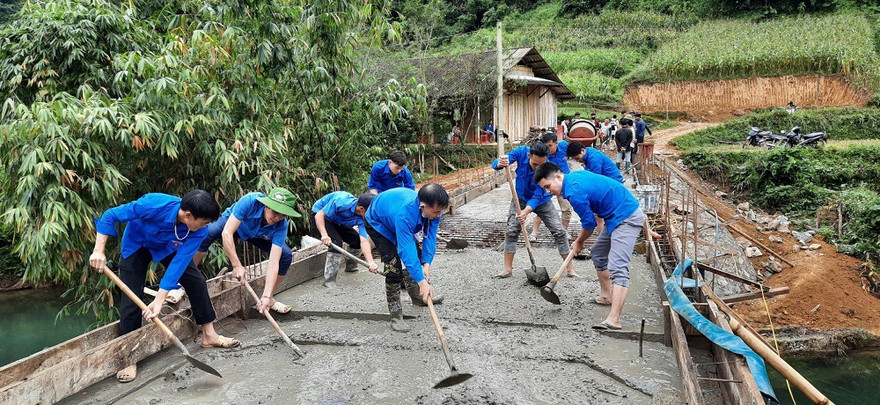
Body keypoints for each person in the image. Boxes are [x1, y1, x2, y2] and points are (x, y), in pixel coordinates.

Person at [90, 190, 237, 383]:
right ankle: (129, 357)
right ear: (188, 215)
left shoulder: (198, 231)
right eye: (204, 221)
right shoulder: (153, 204)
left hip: (168, 246)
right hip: (137, 244)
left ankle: (209, 334)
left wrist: (159, 302)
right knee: (132, 297)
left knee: (196, 280)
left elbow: (179, 265)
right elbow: (111, 215)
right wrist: (98, 251)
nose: (206, 226)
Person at [535, 163, 646, 330]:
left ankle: (614, 319)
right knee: (599, 253)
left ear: (558, 177)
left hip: (626, 216)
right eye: (545, 189)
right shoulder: (572, 179)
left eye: (548, 186)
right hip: (615, 214)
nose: (548, 192)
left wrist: (579, 242)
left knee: (618, 265)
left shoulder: (574, 192)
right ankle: (607, 296)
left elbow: (589, 224)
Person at [194, 187, 299, 315]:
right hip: (235, 225)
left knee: (286, 255)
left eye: (282, 215)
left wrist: (265, 295)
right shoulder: (249, 201)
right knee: (206, 234)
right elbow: (227, 233)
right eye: (275, 211)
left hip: (258, 235)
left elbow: (274, 261)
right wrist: (237, 265)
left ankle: (269, 299)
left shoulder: (281, 226)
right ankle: (182, 278)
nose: (277, 217)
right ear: (267, 205)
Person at [365, 184, 447, 332]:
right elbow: (406, 250)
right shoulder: (405, 215)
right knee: (393, 267)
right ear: (422, 206)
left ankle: (417, 296)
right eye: (436, 212)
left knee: (420, 256)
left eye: (440, 211)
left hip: (393, 214)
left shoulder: (433, 211)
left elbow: (430, 237)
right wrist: (422, 282)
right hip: (378, 223)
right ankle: (396, 314)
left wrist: (427, 264)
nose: (438, 215)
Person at [491, 141, 574, 278]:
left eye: (541, 164)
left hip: (542, 201)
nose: (538, 168)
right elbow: (496, 165)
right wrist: (500, 163)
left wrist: (526, 212)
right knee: (511, 231)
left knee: (559, 231)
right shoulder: (521, 152)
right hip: (520, 199)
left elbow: (538, 195)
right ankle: (507, 269)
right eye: (535, 164)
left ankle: (570, 269)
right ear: (529, 155)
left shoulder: (548, 167)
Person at [310, 191, 378, 287]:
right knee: (336, 243)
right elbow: (319, 216)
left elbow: (364, 240)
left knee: (356, 241)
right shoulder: (341, 202)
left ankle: (351, 267)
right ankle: (329, 281)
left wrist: (371, 262)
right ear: (362, 209)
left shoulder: (363, 218)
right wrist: (324, 235)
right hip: (320, 215)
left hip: (337, 220)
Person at [529, 133, 574, 249]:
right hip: (548, 183)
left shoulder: (564, 146)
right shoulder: (543, 155)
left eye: (550, 146)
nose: (548, 149)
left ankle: (564, 231)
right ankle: (534, 232)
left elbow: (575, 146)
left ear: (556, 143)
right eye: (546, 146)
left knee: (566, 208)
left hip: (563, 182)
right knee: (542, 206)